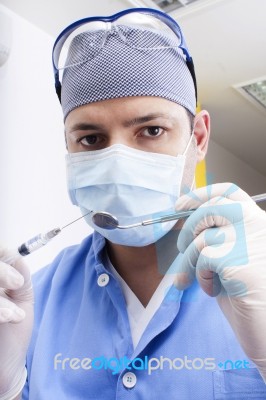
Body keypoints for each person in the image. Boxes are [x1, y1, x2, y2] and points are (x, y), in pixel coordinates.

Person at [0, 7, 266, 400]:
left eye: (151, 130)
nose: (118, 160)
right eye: (91, 139)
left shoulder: (258, 282)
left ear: (199, 137)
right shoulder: (32, 304)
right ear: (69, 149)